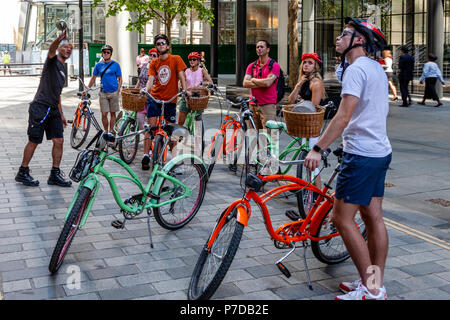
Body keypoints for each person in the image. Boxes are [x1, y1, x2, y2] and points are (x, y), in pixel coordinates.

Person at [305, 17, 392, 300]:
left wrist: (317, 148)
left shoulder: (356, 70)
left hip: (362, 154)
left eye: (345, 34)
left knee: (341, 219)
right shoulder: (376, 69)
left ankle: (371, 289)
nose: (338, 38)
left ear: (360, 40)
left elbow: (343, 116)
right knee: (373, 217)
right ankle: (374, 283)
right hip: (379, 152)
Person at [15, 30, 73, 187]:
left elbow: (58, 93)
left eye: (70, 48)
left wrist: (61, 114)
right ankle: (22, 172)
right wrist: (58, 39)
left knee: (59, 141)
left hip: (53, 109)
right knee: (34, 141)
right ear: (59, 48)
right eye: (65, 46)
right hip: (40, 107)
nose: (68, 49)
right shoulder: (52, 61)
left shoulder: (63, 68)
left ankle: (54, 174)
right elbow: (51, 49)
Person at [141, 34, 189, 170]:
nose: (161, 45)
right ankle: (146, 155)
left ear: (167, 46)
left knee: (172, 131)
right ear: (156, 47)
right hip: (155, 98)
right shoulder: (154, 63)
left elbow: (181, 76)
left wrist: (185, 90)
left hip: (170, 100)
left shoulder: (176, 59)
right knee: (151, 129)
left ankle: (174, 161)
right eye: (158, 44)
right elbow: (151, 79)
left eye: (163, 43)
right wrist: (146, 89)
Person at [288, 52, 325, 191]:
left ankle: (318, 191)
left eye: (310, 63)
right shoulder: (303, 81)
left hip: (312, 123)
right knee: (304, 154)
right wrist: (298, 85)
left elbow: (313, 108)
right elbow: (291, 100)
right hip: (302, 122)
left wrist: (303, 102)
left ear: (316, 66)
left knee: (312, 158)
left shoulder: (316, 83)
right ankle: (302, 184)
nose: (306, 65)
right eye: (304, 62)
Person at [243, 40, 280, 130]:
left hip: (268, 105)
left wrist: (253, 79)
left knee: (270, 137)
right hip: (253, 105)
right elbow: (245, 83)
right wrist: (262, 83)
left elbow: (268, 83)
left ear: (268, 50)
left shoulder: (274, 65)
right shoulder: (251, 66)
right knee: (252, 137)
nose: (259, 49)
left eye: (262, 47)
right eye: (257, 47)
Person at [86, 44, 122, 133]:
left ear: (110, 54)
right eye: (104, 52)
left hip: (114, 92)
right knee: (104, 114)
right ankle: (106, 131)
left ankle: (111, 131)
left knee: (113, 113)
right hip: (103, 93)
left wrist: (118, 90)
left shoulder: (115, 65)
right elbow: (93, 78)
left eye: (107, 52)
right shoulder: (98, 65)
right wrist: (87, 89)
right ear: (102, 53)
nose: (106, 54)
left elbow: (120, 79)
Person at [177, 51, 213, 126]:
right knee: (180, 122)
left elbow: (210, 82)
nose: (192, 61)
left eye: (194, 59)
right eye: (190, 60)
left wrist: (201, 83)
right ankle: (179, 137)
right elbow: (180, 82)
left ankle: (198, 137)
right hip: (187, 96)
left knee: (198, 123)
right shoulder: (186, 71)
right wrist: (180, 87)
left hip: (198, 98)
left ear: (198, 61)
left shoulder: (202, 70)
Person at [135, 48, 158, 130]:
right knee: (140, 122)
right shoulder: (144, 65)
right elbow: (140, 78)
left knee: (150, 124)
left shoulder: (158, 68)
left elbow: (157, 83)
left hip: (152, 97)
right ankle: (146, 137)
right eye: (150, 55)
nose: (152, 56)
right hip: (142, 96)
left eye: (154, 55)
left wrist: (147, 88)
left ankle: (151, 140)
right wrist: (136, 88)